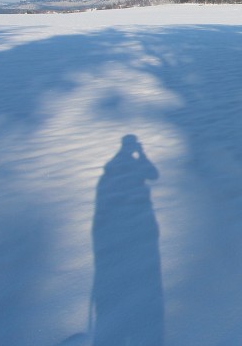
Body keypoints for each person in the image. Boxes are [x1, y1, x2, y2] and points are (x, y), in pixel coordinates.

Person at [91, 135, 163, 346]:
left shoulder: (114, 168)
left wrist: (142, 155)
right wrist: (142, 154)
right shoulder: (126, 166)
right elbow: (153, 174)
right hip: (133, 234)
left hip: (129, 233)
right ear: (130, 146)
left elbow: (153, 175)